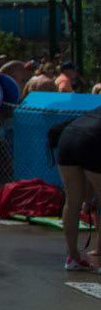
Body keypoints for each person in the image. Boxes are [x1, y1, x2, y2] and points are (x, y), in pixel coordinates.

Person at [48, 106, 101, 271]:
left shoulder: (94, 112)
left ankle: (72, 257)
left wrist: (88, 198)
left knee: (72, 202)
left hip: (68, 138)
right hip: (93, 140)